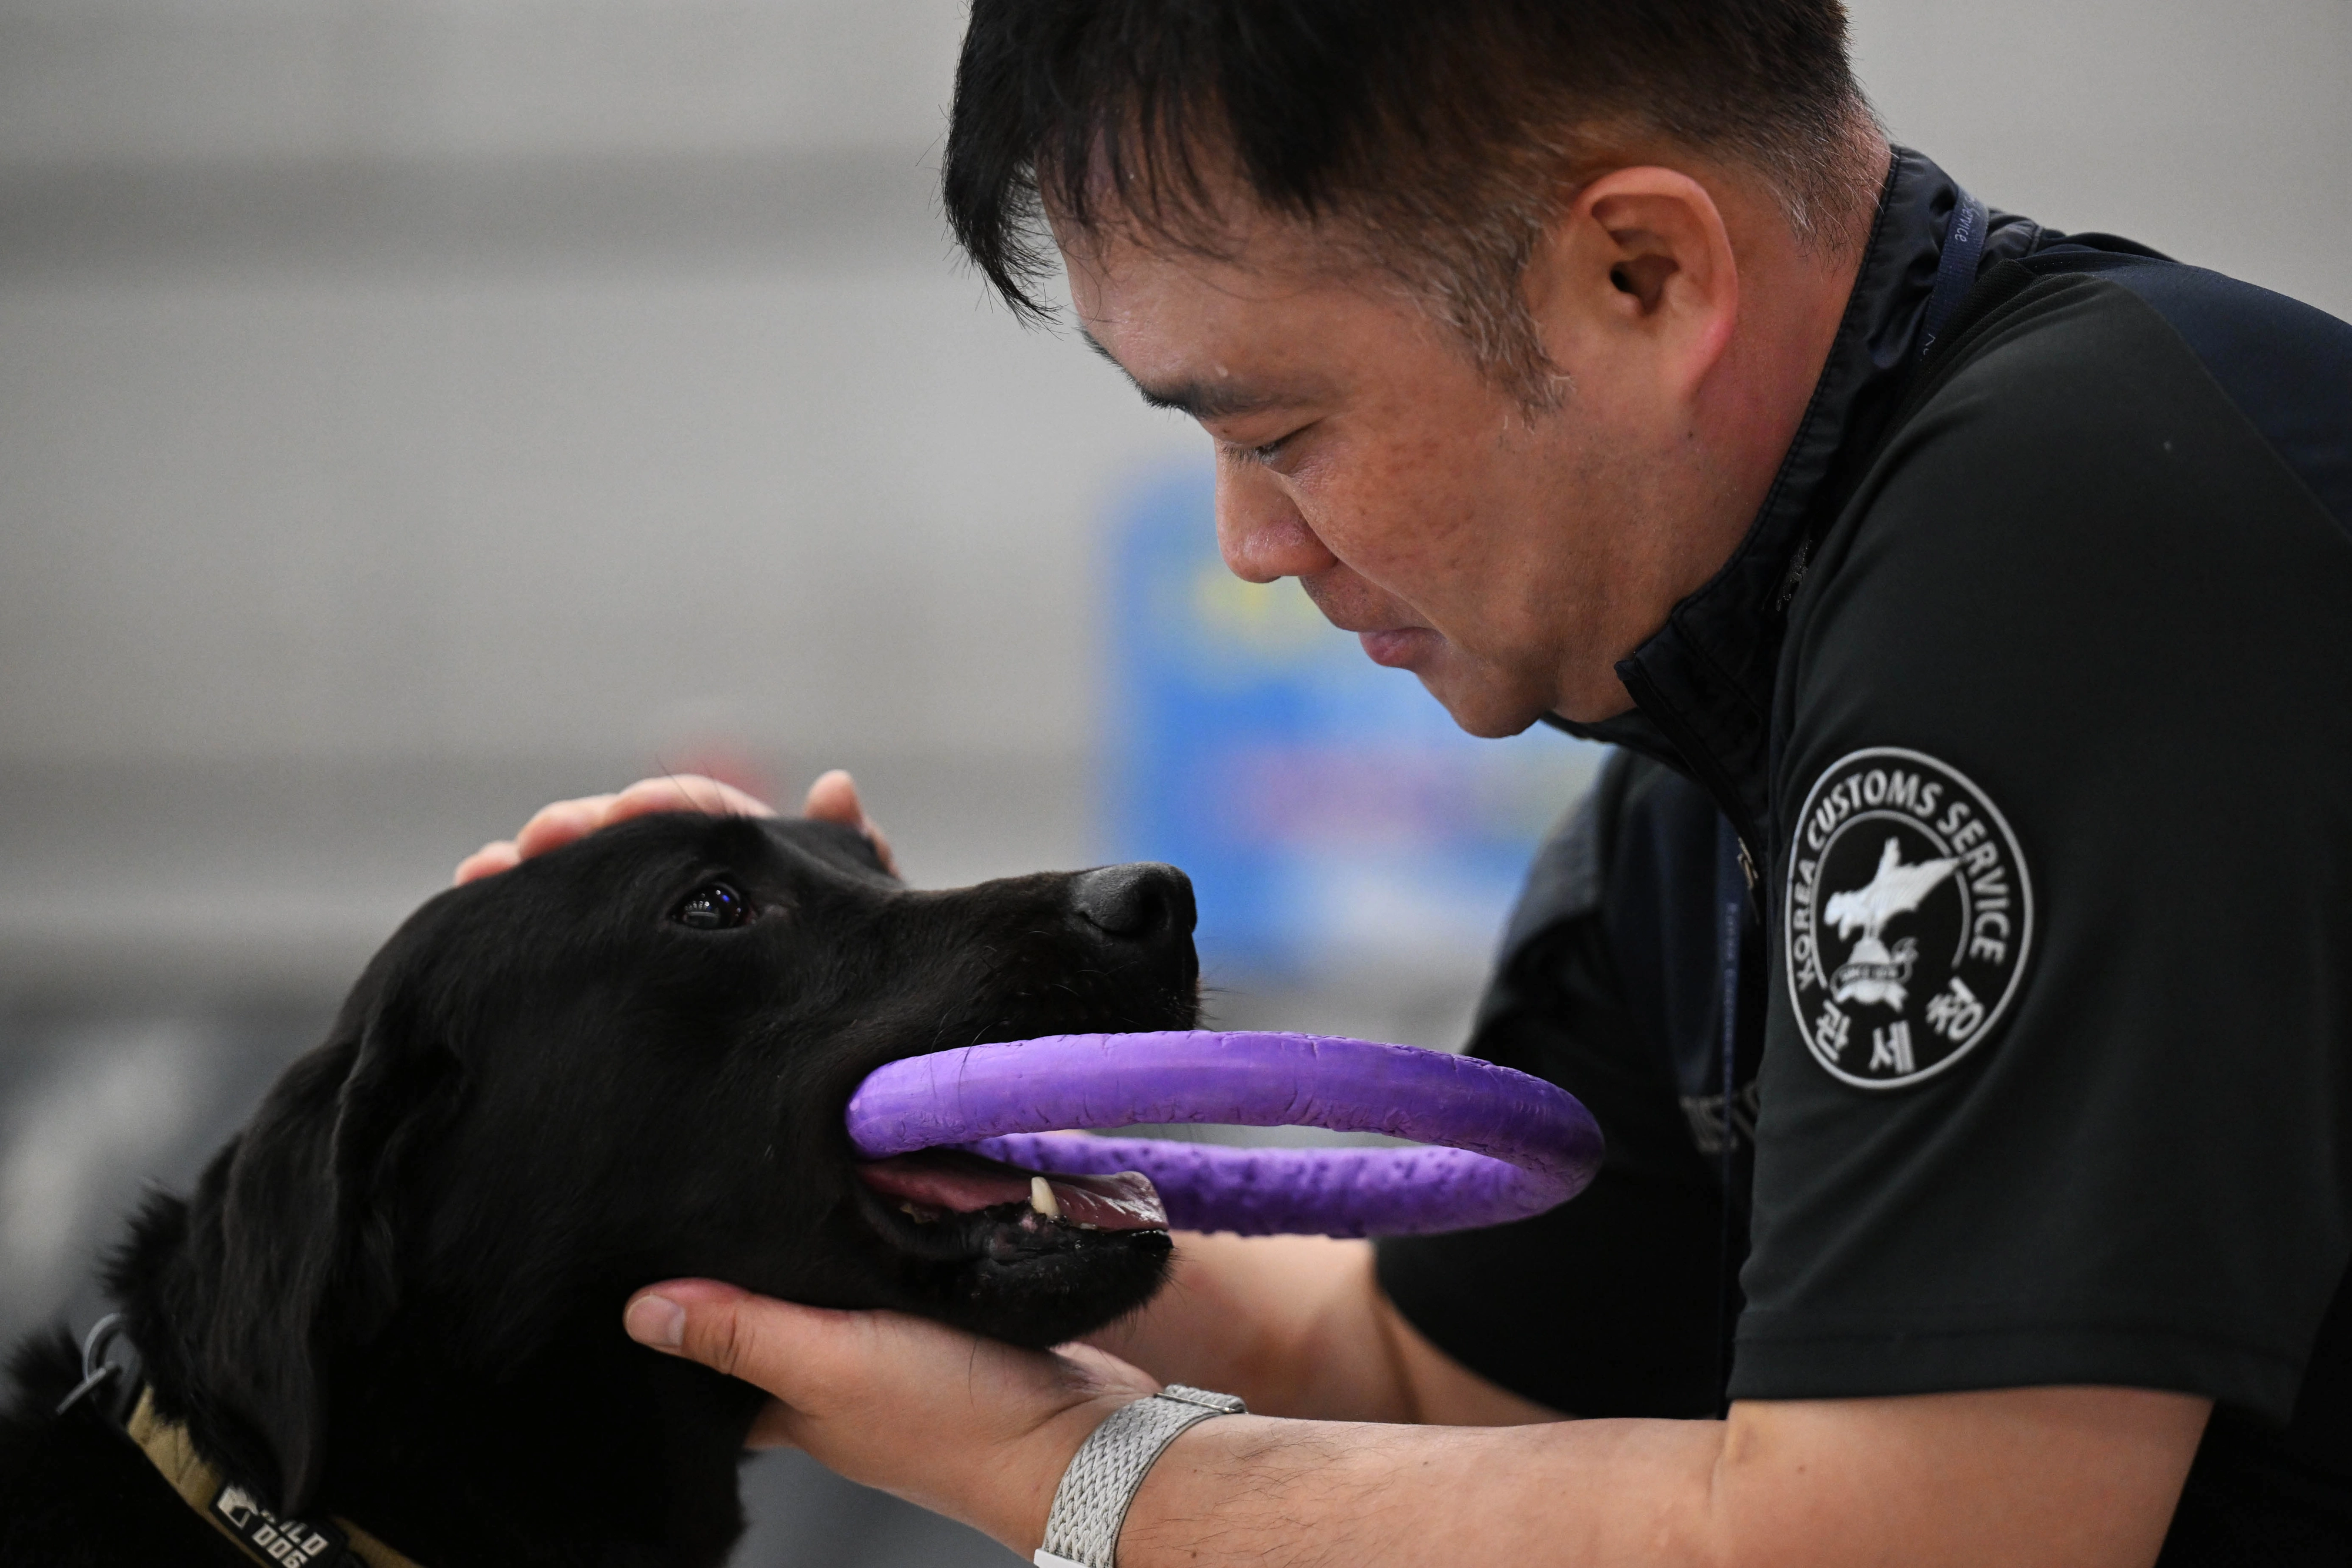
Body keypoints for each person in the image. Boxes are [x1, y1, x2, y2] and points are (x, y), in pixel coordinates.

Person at [460, 2, 2352, 1562]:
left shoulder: (2062, 546)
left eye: (1281, 430)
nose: (1249, 546)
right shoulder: (1725, 709)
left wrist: (1074, 1484)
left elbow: (1906, 1543)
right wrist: (824, 1137)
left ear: (1638, 274)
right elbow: (1436, 1383)